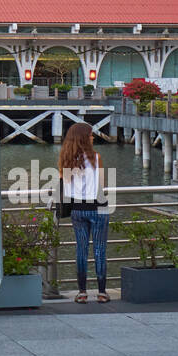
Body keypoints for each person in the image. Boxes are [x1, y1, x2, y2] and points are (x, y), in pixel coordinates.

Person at [59, 122, 110, 303]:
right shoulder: (96, 157)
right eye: (90, 134)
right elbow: (103, 185)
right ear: (84, 138)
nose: (92, 137)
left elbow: (63, 186)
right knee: (99, 249)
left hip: (77, 210)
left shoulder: (66, 159)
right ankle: (102, 292)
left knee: (81, 250)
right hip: (98, 209)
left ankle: (82, 292)